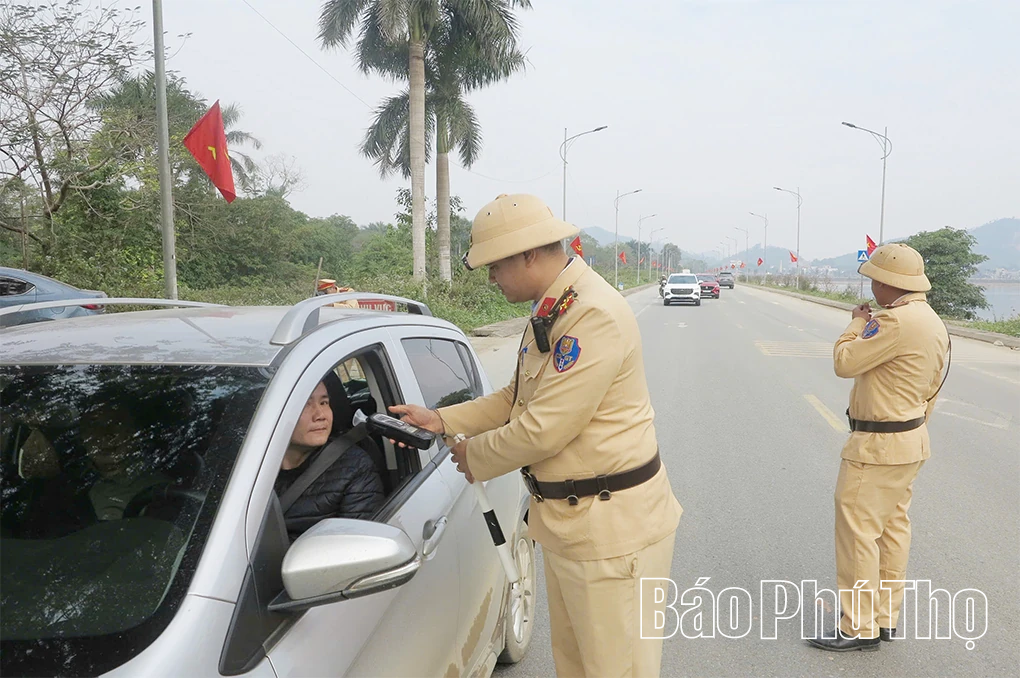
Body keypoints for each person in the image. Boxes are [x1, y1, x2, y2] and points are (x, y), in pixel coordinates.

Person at [391, 193, 683, 677]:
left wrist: (473, 455)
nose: (490, 278)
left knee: (617, 669)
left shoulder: (591, 314)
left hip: (612, 532)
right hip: (575, 523)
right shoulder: (553, 308)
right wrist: (444, 420)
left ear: (529, 254)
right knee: (578, 665)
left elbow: (544, 429)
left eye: (495, 266)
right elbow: (516, 398)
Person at [808, 243, 950, 653]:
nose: (870, 286)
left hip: (877, 445)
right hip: (910, 440)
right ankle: (884, 618)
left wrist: (854, 325)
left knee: (858, 535)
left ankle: (857, 626)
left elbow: (845, 362)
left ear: (890, 283)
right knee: (892, 532)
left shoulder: (893, 323)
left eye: (874, 278)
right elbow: (932, 387)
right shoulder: (933, 322)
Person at [275, 380, 384, 540]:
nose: (320, 415)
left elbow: (357, 550)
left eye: (324, 402)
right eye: (305, 404)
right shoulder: (246, 466)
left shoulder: (355, 468)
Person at [81, 402, 170, 521]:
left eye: (117, 423)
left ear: (134, 433)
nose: (106, 435)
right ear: (81, 435)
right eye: (95, 424)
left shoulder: (156, 490)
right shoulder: (71, 480)